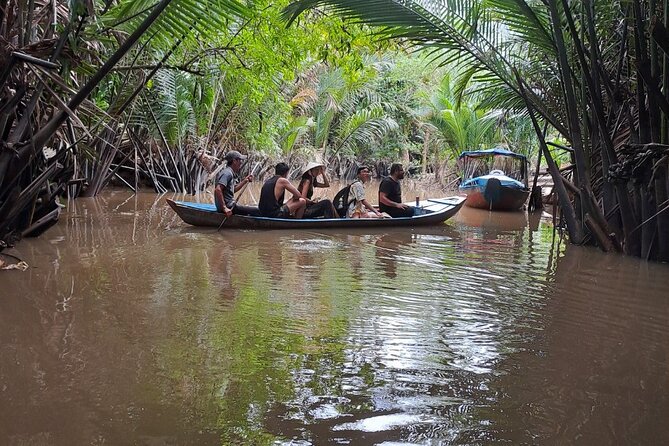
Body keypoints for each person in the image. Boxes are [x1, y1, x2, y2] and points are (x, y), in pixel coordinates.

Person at [214, 150, 260, 217]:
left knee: (252, 207)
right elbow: (218, 189)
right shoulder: (227, 173)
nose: (241, 162)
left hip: (229, 205)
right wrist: (225, 208)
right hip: (229, 207)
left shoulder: (230, 172)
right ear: (234, 161)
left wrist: (245, 181)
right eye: (240, 160)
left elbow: (233, 190)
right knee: (257, 211)